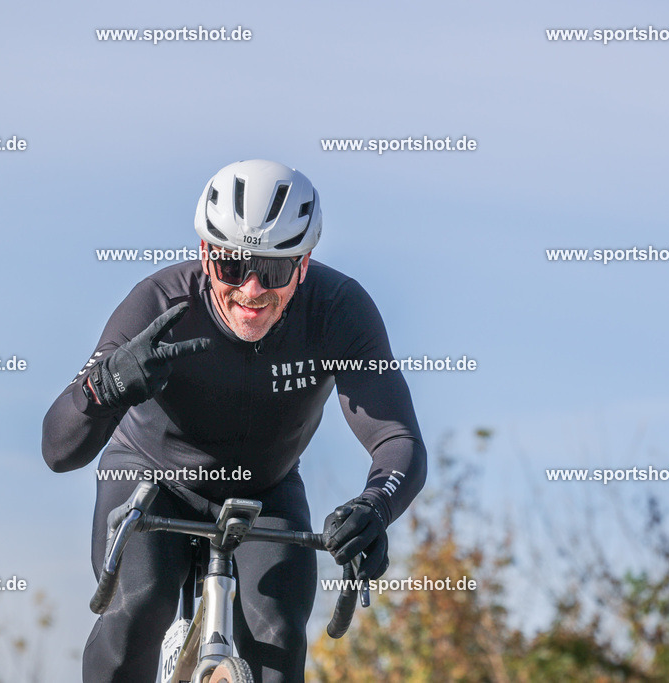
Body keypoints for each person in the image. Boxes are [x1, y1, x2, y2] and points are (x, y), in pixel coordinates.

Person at [42, 159, 427, 682]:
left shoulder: (339, 312)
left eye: (273, 270)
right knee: (139, 605)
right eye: (231, 267)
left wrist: (375, 508)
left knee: (279, 636)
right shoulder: (158, 303)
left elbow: (397, 437)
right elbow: (58, 450)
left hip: (264, 489)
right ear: (205, 254)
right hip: (151, 476)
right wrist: (104, 386)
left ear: (305, 263)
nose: (250, 290)